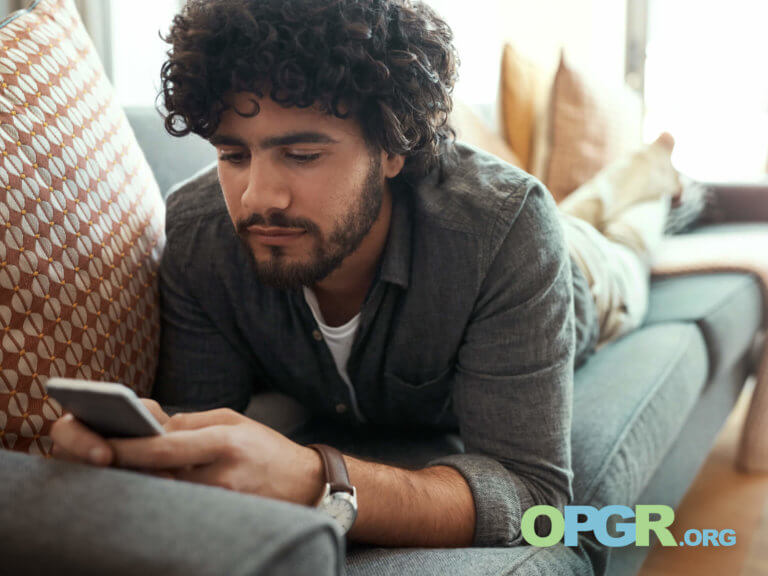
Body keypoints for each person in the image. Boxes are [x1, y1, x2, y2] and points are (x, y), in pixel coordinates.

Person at [50, 0, 680, 549]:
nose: (256, 198)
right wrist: (139, 454)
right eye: (233, 154)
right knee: (584, 211)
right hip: (531, 230)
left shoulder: (506, 228)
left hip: (584, 278)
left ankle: (654, 181)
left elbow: (535, 496)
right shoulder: (198, 234)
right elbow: (206, 419)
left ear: (393, 147)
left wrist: (316, 478)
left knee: (621, 237)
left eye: (301, 154)